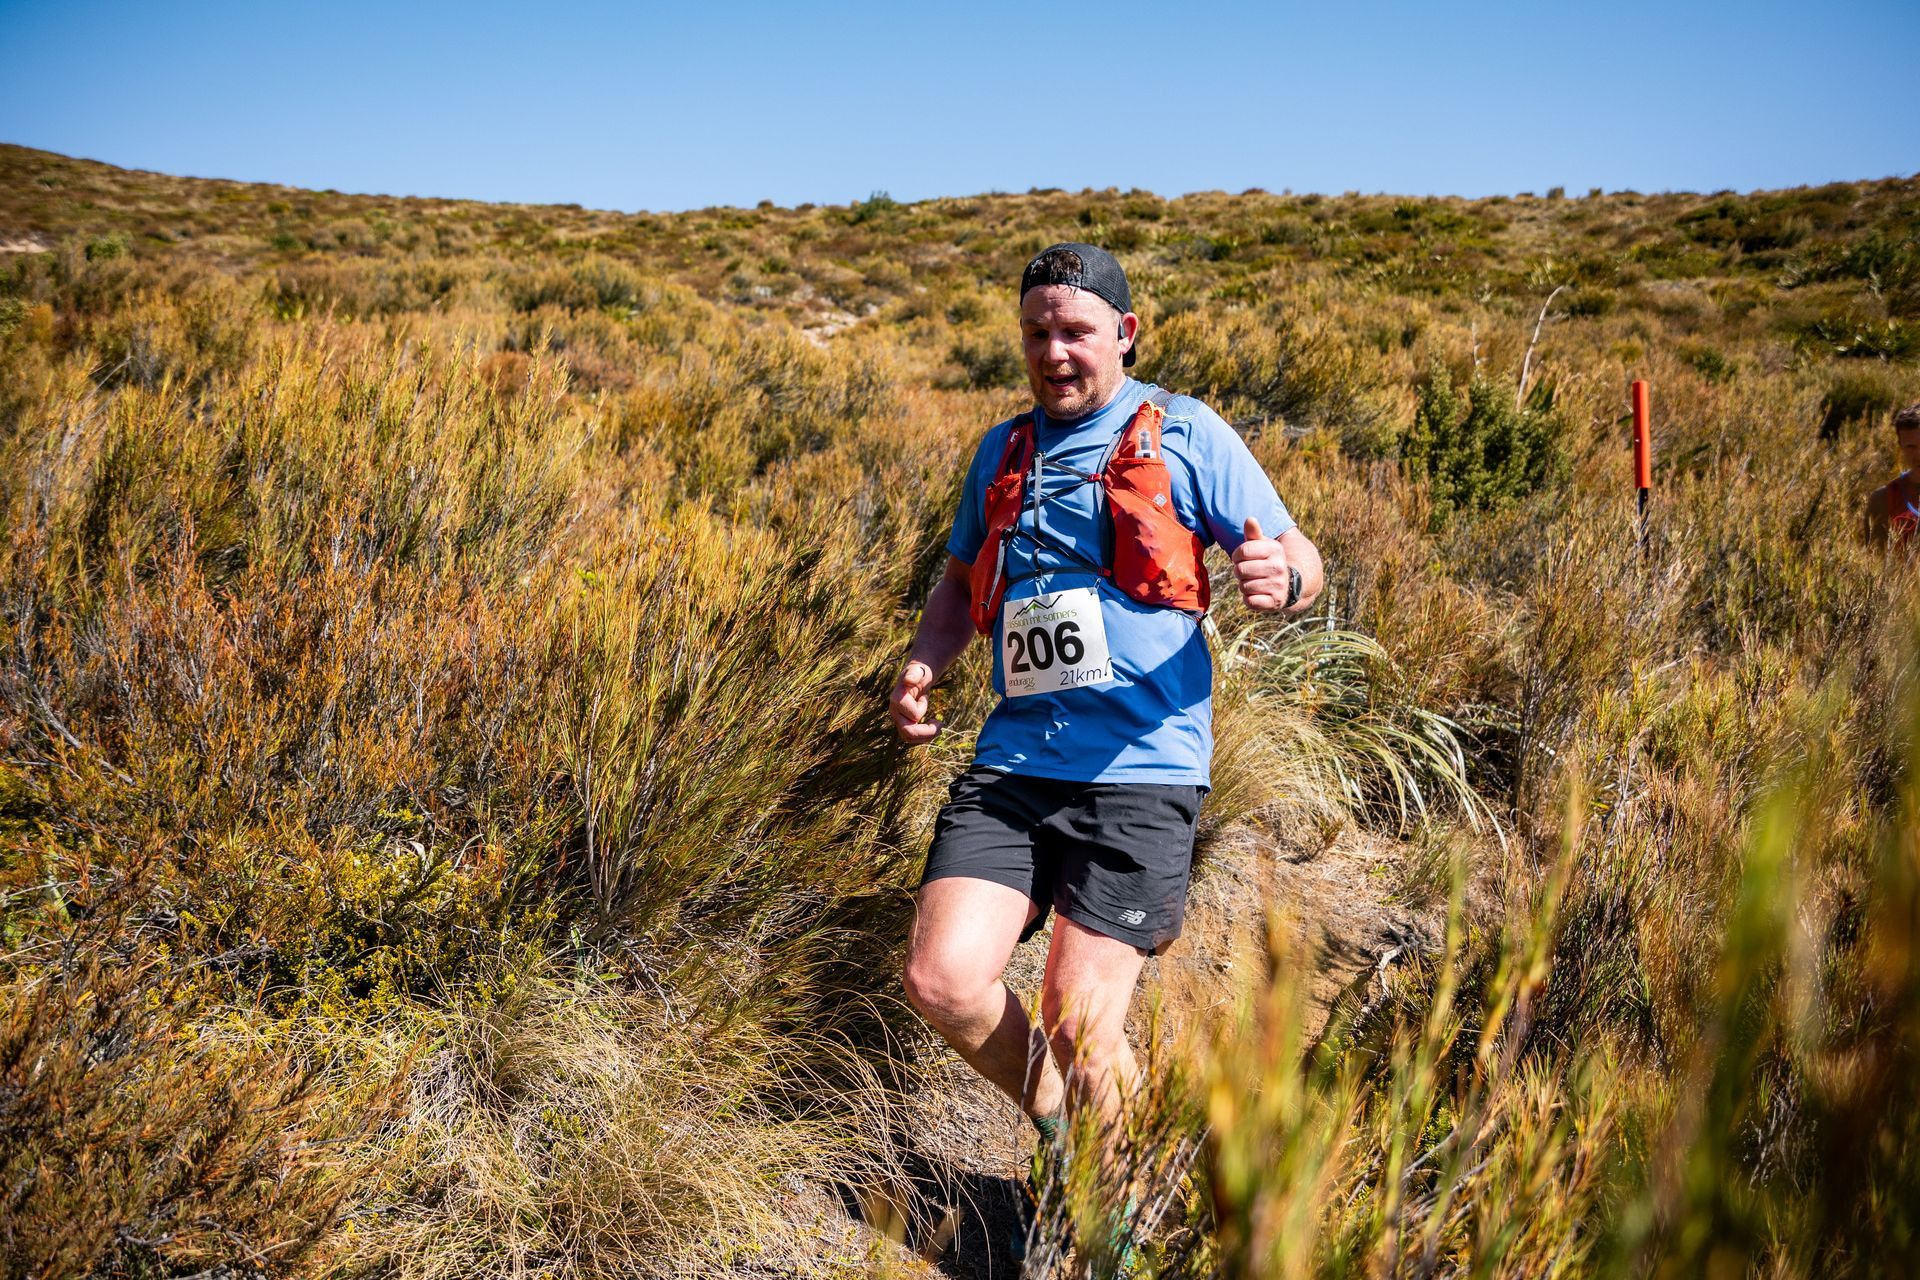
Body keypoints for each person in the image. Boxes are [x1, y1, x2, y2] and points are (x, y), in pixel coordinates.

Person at [887, 243, 1324, 1253]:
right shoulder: (1002, 451)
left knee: (1085, 1024)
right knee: (943, 979)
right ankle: (1060, 1119)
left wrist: (1282, 581)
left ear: (1125, 334)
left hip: (1144, 770)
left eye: (1074, 330)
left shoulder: (1186, 435)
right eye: (1037, 332)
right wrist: (924, 662)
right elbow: (959, 587)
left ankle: (1108, 1227)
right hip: (1014, 766)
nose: (1054, 350)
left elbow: (1297, 555)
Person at [1865, 401, 1920, 547]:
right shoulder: (1883, 500)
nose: (1918, 454)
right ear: (1901, 446)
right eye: (1911, 446)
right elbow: (1875, 562)